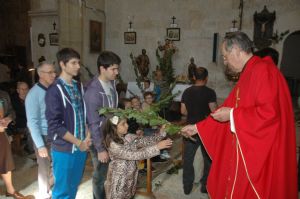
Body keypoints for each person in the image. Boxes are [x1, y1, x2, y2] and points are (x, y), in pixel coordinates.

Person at [181, 31, 297, 199]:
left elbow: (270, 114)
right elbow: (226, 109)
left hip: (262, 151)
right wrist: (197, 127)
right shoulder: (249, 72)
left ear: (237, 50)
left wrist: (233, 114)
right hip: (246, 143)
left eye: (225, 57)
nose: (225, 62)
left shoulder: (263, 70)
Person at [45, 48, 91, 199]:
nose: (78, 66)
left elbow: (83, 115)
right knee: (62, 190)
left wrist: (87, 136)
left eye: (78, 62)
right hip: (65, 148)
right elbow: (55, 125)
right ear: (62, 65)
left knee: (73, 186)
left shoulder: (78, 86)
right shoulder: (54, 90)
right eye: (74, 63)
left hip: (81, 146)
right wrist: (78, 142)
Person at [103, 115, 173, 199]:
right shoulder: (113, 144)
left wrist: (161, 133)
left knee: (129, 195)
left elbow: (144, 141)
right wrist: (157, 147)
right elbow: (135, 155)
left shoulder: (127, 136)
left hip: (131, 176)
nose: (127, 125)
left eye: (126, 122)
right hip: (119, 181)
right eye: (123, 124)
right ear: (114, 127)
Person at [84, 51, 120, 199]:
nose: (117, 72)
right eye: (113, 69)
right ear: (102, 69)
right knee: (100, 175)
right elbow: (93, 123)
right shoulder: (93, 91)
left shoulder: (111, 83)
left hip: (109, 134)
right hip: (98, 137)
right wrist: (100, 149)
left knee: (109, 172)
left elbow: (112, 111)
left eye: (117, 68)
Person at [180, 66, 217, 194]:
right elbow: (214, 111)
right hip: (205, 130)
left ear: (194, 77)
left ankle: (187, 187)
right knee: (208, 159)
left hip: (190, 129)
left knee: (188, 159)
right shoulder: (210, 92)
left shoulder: (186, 92)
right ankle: (205, 186)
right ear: (206, 78)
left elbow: (183, 111)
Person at [25, 61, 56, 199]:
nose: (54, 75)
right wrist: (40, 145)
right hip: (42, 136)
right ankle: (44, 194)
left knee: (56, 163)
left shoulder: (53, 89)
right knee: (44, 167)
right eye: (50, 72)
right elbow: (32, 122)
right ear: (40, 74)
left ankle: (52, 185)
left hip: (56, 134)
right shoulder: (33, 94)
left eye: (54, 72)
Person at [0, 90, 34, 199]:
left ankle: (11, 191)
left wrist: (8, 119)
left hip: (1, 132)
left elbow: (11, 112)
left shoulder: (3, 94)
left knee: (5, 162)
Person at [11, 81, 34, 154]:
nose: (24, 91)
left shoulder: (32, 99)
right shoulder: (13, 101)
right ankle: (32, 150)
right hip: (19, 125)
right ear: (18, 90)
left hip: (31, 122)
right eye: (22, 89)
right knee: (32, 130)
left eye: (26, 89)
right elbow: (14, 116)